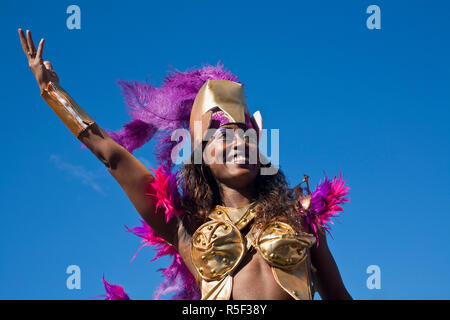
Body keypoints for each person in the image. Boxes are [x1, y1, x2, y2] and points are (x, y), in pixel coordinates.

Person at [18, 29, 352, 300]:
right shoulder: (186, 229)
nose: (238, 143)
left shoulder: (301, 215)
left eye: (244, 135)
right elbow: (112, 155)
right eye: (222, 136)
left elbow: (338, 295)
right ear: (202, 157)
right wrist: (52, 91)